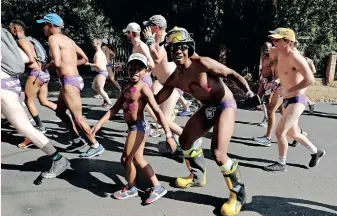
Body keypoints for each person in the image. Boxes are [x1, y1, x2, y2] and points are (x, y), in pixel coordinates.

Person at [155, 26, 254, 216]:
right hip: (208, 108)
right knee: (184, 141)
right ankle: (197, 176)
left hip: (225, 105)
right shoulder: (176, 76)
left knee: (218, 153)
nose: (177, 51)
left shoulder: (202, 63)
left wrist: (248, 93)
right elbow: (159, 97)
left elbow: (232, 74)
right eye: (173, 48)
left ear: (189, 48)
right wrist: (139, 98)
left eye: (181, 47)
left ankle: (238, 194)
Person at [91, 53, 174, 204]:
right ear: (127, 69)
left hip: (139, 127)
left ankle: (131, 188)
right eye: (132, 68)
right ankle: (157, 187)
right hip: (132, 127)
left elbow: (158, 111)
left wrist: (169, 135)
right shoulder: (126, 87)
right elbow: (115, 108)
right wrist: (99, 123)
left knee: (125, 159)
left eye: (139, 68)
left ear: (145, 71)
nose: (135, 71)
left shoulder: (143, 89)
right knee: (138, 159)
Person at [1, 27, 70, 178]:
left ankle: (58, 159)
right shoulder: (6, 40)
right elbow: (24, 59)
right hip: (11, 84)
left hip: (3, 90)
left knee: (25, 128)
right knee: (34, 111)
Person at [36, 13, 105, 158]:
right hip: (74, 80)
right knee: (60, 112)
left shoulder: (53, 38)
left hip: (69, 83)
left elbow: (57, 62)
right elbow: (84, 58)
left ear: (51, 26)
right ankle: (77, 140)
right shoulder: (68, 40)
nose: (43, 28)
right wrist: (70, 65)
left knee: (78, 118)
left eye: (45, 25)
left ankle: (95, 145)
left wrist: (45, 67)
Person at [264, 28, 325, 172]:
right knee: (293, 133)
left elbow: (310, 79)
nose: (274, 42)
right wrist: (275, 83)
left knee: (280, 132)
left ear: (288, 41)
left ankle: (281, 163)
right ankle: (316, 152)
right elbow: (285, 75)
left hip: (297, 99)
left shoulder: (295, 57)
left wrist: (289, 90)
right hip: (288, 99)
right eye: (273, 39)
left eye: (277, 40)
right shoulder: (281, 54)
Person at [143, 15, 192, 160]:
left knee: (164, 119)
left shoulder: (166, 41)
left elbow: (157, 58)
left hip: (173, 84)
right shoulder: (158, 41)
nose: (146, 30)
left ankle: (191, 142)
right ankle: (177, 146)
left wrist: (150, 41)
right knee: (161, 116)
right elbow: (155, 63)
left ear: (156, 28)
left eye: (149, 27)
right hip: (163, 83)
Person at [9, 20, 57, 133]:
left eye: (10, 28)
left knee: (28, 101)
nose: (9, 30)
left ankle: (40, 126)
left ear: (15, 29)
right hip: (44, 73)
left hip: (35, 74)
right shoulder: (30, 39)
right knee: (44, 101)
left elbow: (30, 59)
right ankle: (65, 114)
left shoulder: (21, 42)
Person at [85, 38, 112, 108]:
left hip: (102, 72)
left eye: (94, 42)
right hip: (101, 72)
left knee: (100, 89)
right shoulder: (100, 53)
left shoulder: (98, 54)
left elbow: (97, 64)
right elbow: (105, 62)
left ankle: (109, 102)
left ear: (98, 43)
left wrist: (89, 64)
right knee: (94, 86)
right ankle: (105, 98)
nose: (92, 43)